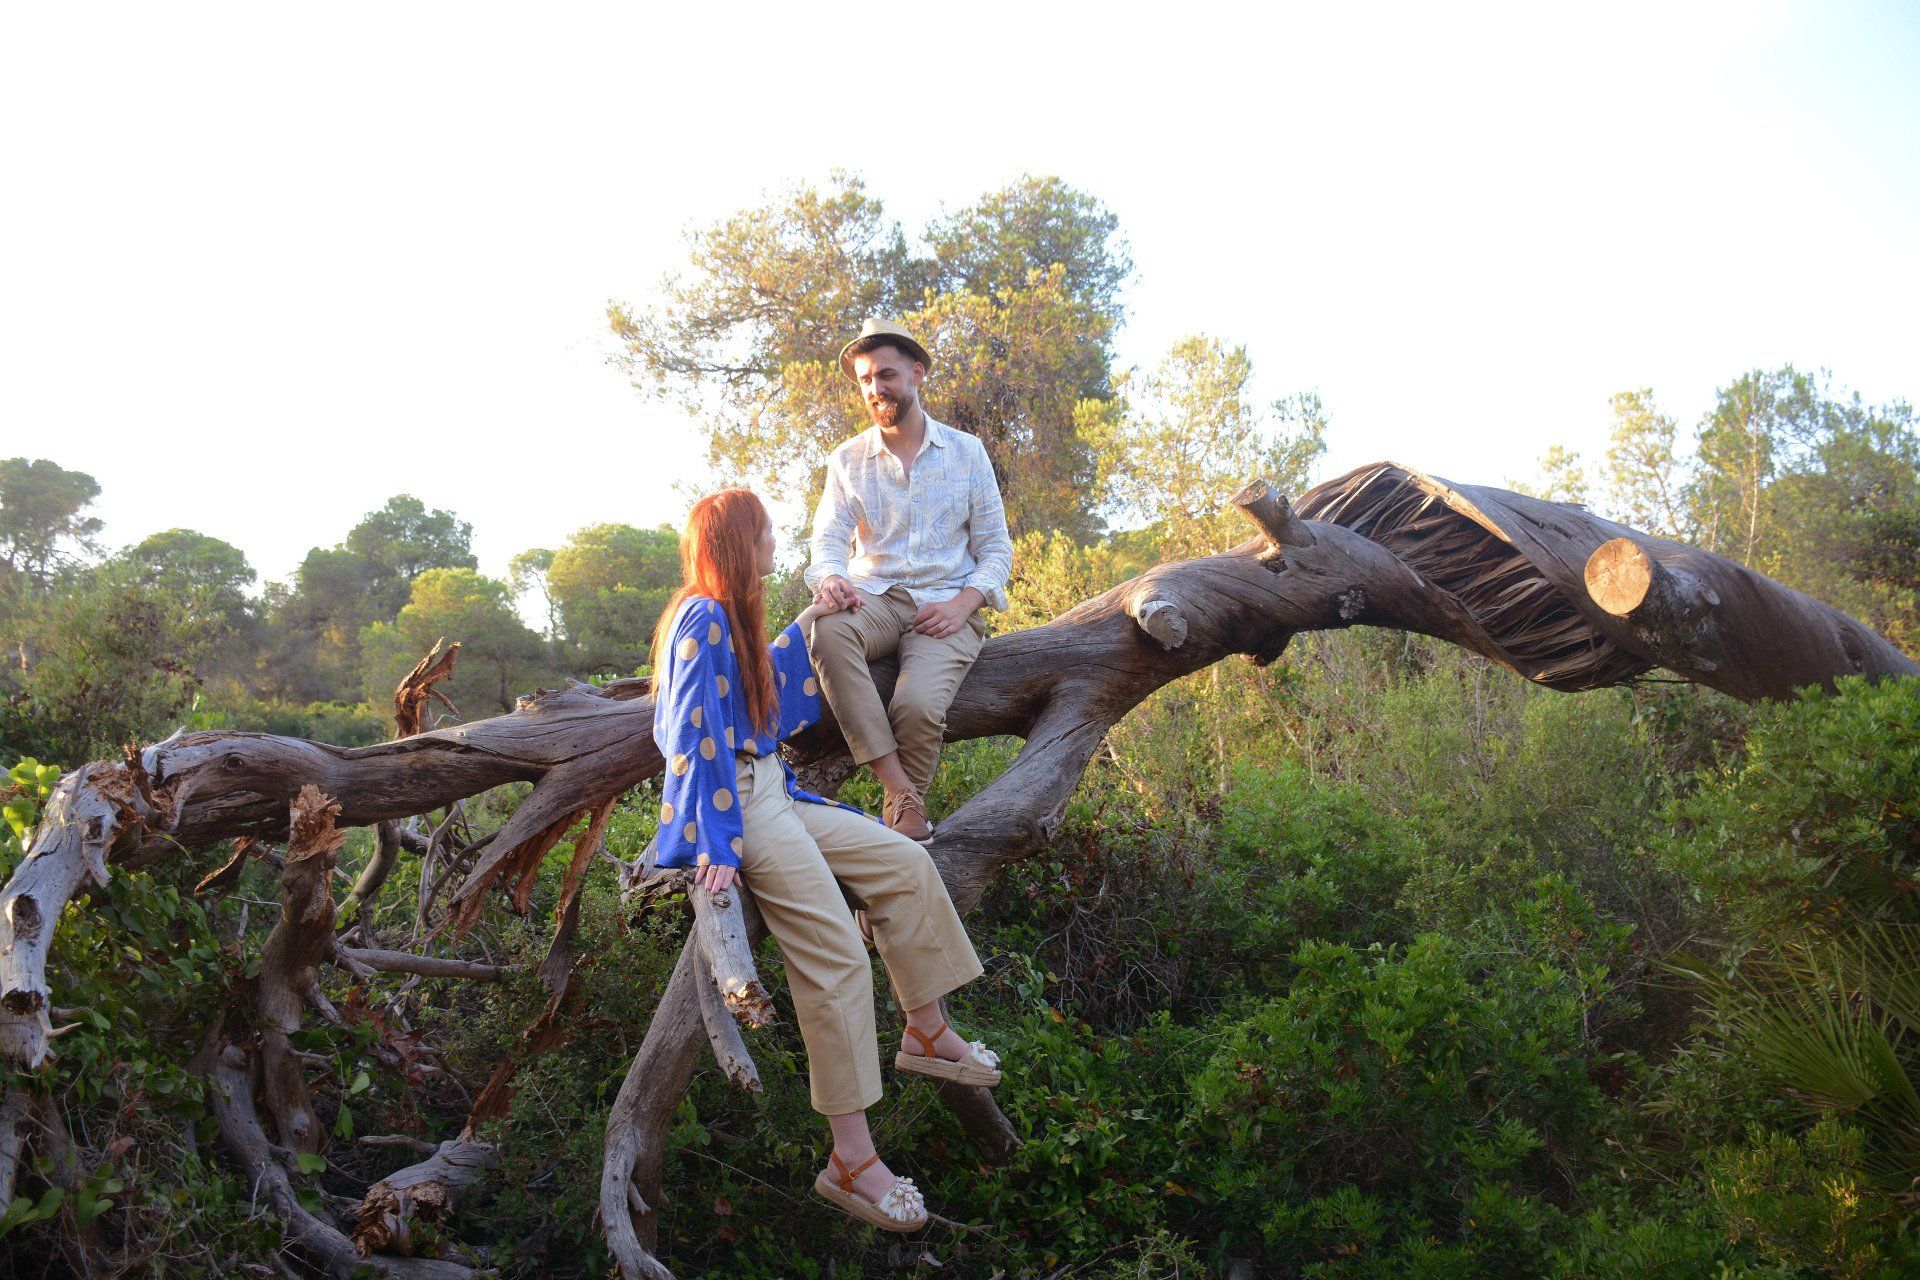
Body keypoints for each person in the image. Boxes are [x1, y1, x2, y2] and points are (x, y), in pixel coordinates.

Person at [650, 488, 1003, 1233]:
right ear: (739, 544)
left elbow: (760, 698)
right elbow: (689, 729)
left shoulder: (728, 617)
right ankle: (852, 1160)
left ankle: (926, 1030)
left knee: (904, 864)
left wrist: (811, 619)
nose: (774, 544)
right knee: (838, 956)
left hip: (773, 787)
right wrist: (715, 839)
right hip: (740, 803)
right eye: (765, 534)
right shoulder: (701, 615)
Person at [805, 318, 1015, 840]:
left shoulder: (967, 452)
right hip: (873, 598)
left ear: (917, 373)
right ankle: (902, 795)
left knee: (917, 706)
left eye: (887, 375)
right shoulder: (847, 459)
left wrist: (964, 605)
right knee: (826, 629)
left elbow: (996, 548)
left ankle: (900, 827)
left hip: (945, 605)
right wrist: (831, 576)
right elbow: (828, 538)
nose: (875, 389)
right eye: (865, 380)